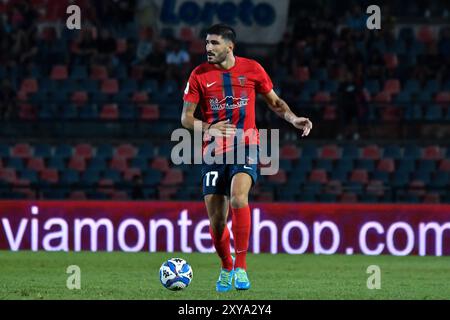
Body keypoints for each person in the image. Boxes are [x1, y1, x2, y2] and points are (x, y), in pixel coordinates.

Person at [180, 24, 312, 292]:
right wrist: (208, 128)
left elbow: (275, 102)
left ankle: (241, 267)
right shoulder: (198, 75)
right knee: (217, 223)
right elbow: (185, 119)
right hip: (213, 149)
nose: (208, 48)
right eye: (207, 43)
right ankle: (226, 266)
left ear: (230, 46)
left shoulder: (252, 69)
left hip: (246, 144)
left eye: (214, 43)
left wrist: (293, 118)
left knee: (239, 196)